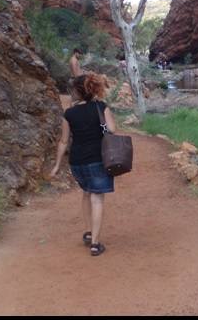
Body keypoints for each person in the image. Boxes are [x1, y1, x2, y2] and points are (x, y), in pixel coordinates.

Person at [50, 73, 117, 257]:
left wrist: (57, 166)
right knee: (97, 199)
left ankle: (88, 232)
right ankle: (95, 244)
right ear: (94, 89)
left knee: (87, 192)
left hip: (77, 162)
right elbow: (112, 129)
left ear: (76, 91)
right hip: (97, 159)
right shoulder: (101, 107)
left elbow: (64, 141)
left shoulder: (69, 113)